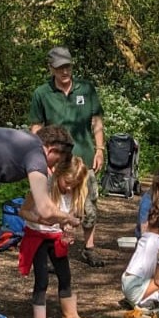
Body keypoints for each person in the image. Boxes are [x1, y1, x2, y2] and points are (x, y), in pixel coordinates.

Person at [0, 124, 81, 318]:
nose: (54, 166)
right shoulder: (35, 152)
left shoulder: (20, 141)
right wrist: (68, 218)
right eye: (58, 160)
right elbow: (45, 208)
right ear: (52, 150)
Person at [28, 46, 105, 267]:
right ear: (51, 68)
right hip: (56, 160)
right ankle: (56, 248)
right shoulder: (42, 93)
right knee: (54, 204)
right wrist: (39, 157)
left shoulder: (86, 89)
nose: (65, 71)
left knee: (89, 203)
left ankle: (89, 247)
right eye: (60, 67)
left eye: (68, 66)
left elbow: (96, 121)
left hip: (84, 156)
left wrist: (100, 149)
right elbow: (36, 127)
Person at [18, 157, 93, 318]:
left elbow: (68, 219)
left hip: (56, 237)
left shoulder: (73, 194)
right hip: (38, 236)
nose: (69, 188)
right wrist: (41, 220)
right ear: (59, 174)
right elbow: (23, 211)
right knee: (42, 280)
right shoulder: (42, 190)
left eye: (74, 185)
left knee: (65, 275)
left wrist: (68, 228)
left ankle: (70, 315)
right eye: (67, 183)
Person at [122, 206, 159, 307]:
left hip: (126, 281)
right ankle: (145, 301)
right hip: (135, 286)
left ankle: (138, 299)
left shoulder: (144, 237)